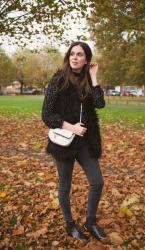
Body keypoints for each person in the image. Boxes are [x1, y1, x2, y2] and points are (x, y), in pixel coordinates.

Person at [42, 41, 106, 242]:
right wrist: (71, 127)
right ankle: (70, 225)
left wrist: (94, 77)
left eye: (79, 54)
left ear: (86, 59)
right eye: (72, 54)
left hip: (86, 142)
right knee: (65, 186)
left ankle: (90, 221)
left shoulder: (88, 79)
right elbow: (46, 115)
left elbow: (100, 104)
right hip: (64, 141)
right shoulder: (59, 80)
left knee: (97, 181)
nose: (75, 57)